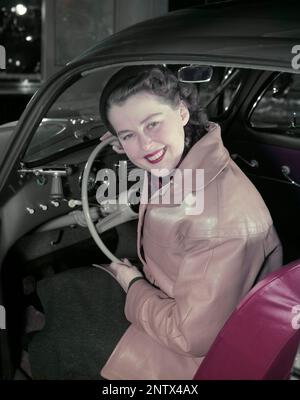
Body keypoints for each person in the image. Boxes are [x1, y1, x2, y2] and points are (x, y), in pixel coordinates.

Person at [96, 65, 283, 380]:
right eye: (128, 135)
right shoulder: (192, 154)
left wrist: (133, 284)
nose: (144, 146)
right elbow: (153, 155)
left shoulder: (221, 221)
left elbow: (189, 338)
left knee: (63, 322)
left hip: (200, 356)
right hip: (175, 300)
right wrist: (134, 135)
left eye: (153, 124)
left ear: (182, 113)